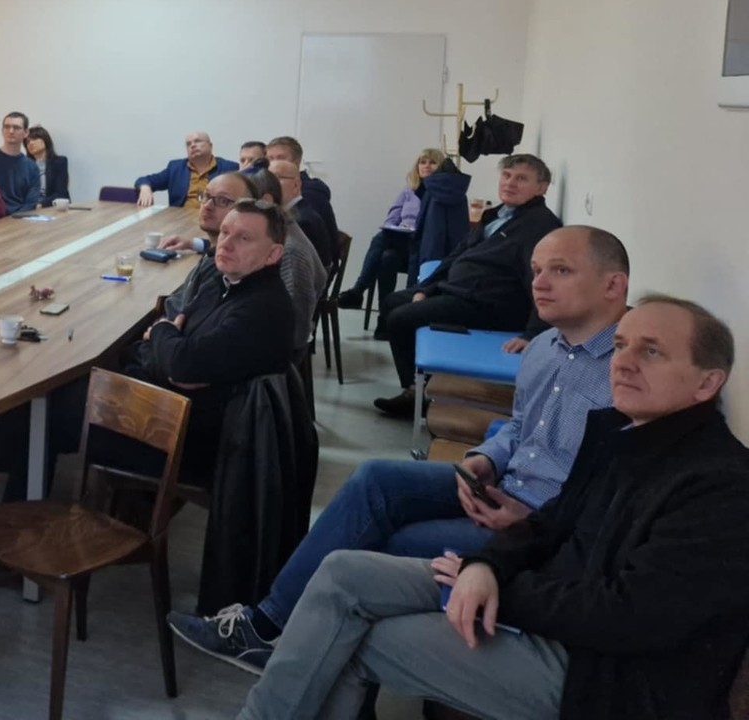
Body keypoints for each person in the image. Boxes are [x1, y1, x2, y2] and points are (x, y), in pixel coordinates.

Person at [229, 294, 749, 720]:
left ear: (708, 382)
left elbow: (630, 617)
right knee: (344, 572)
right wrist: (485, 565)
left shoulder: (720, 486)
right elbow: (549, 523)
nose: (624, 362)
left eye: (652, 352)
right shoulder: (621, 431)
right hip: (549, 604)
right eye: (620, 345)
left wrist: (503, 589)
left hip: (603, 674)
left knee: (361, 638)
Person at [170, 226, 628, 675]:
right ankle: (268, 626)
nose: (539, 283)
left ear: (613, 285)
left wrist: (534, 523)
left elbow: (620, 499)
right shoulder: (545, 347)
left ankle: (296, 652)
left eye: (560, 270)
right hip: (501, 488)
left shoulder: (628, 379)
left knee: (382, 547)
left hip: (543, 528)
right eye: (536, 270)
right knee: (375, 478)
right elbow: (519, 426)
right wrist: (486, 457)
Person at [0, 200, 296, 517]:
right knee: (52, 390)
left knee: (42, 406)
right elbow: (173, 341)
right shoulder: (228, 280)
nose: (226, 243)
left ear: (273, 254)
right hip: (165, 404)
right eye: (225, 232)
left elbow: (182, 363)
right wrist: (168, 342)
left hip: (178, 438)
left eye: (243, 238)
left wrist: (165, 337)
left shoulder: (262, 309)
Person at [373, 154, 561, 417]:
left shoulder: (540, 226)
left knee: (401, 319)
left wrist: (532, 335)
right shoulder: (496, 215)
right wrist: (426, 288)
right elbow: (456, 255)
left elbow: (541, 283)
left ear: (542, 187)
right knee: (392, 302)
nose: (510, 183)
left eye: (521, 179)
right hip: (460, 289)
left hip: (488, 304)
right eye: (507, 176)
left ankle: (421, 395)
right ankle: (420, 388)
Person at [337, 147, 444, 310]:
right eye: (423, 162)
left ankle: (358, 290)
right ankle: (384, 314)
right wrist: (398, 226)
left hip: (421, 245)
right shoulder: (409, 190)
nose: (427, 166)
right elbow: (392, 216)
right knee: (387, 255)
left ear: (440, 166)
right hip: (402, 240)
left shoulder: (440, 194)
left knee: (382, 243)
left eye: (432, 163)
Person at [246, 167, 327, 354]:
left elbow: (295, 329)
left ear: (265, 201)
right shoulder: (280, 230)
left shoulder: (290, 250)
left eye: (242, 203)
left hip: (276, 350)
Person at [135, 132, 238, 208]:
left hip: (214, 221)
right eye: (188, 144)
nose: (192, 145)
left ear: (210, 146)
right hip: (180, 219)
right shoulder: (176, 168)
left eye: (197, 141)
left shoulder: (229, 168)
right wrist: (145, 188)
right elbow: (145, 180)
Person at [267, 159, 336, 272]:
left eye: (277, 178)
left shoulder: (302, 221)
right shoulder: (296, 212)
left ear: (296, 185)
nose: (269, 185)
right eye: (268, 179)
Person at [266, 136, 337, 242]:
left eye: (280, 158)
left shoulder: (311, 194)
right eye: (270, 159)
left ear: (297, 162)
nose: (274, 163)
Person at [0, 112, 40, 215]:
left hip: (20, 218)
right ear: (2, 131)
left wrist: (17, 218)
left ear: (26, 133)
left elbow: (31, 202)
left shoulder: (32, 167)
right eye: (7, 127)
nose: (11, 131)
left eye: (16, 128)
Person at [24, 125, 70, 207]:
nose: (31, 143)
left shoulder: (59, 162)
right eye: (27, 142)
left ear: (45, 140)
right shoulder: (24, 166)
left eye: (35, 139)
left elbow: (61, 193)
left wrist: (41, 204)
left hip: (52, 207)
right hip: (30, 208)